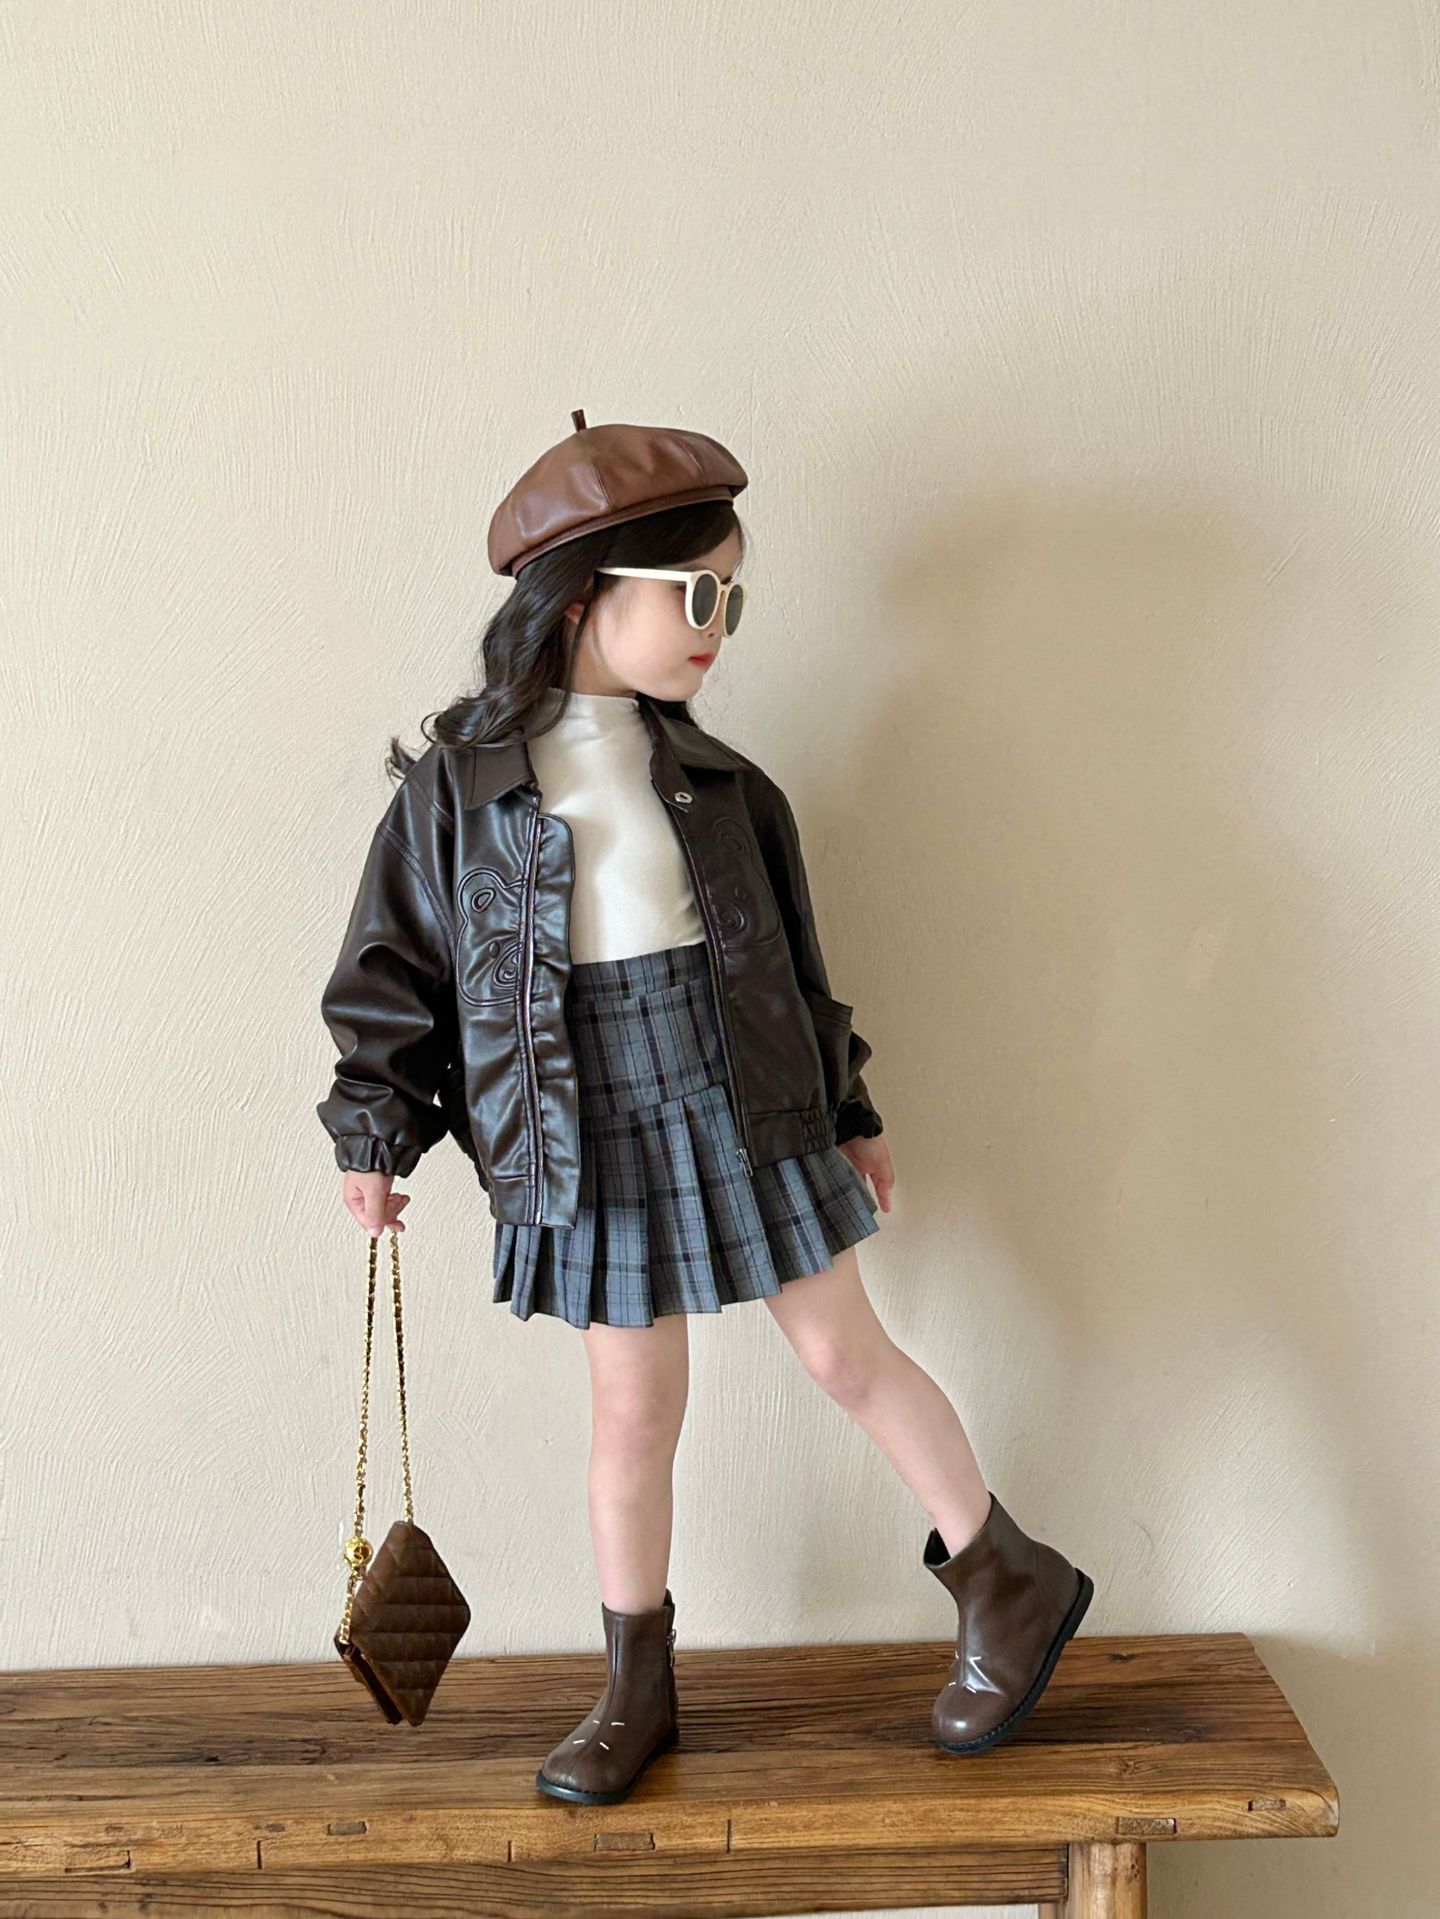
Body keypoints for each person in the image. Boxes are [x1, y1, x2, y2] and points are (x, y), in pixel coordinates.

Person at [316, 411, 1093, 1806]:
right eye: (693, 594)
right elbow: (394, 975)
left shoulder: (730, 788)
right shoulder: (454, 799)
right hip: (579, 1113)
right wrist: (374, 1130)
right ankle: (637, 1688)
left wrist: (849, 1106)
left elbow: (792, 969)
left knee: (845, 1351)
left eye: (730, 597)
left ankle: (1006, 1578)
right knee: (633, 1410)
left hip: (741, 1084)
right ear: (582, 595)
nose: (716, 628)